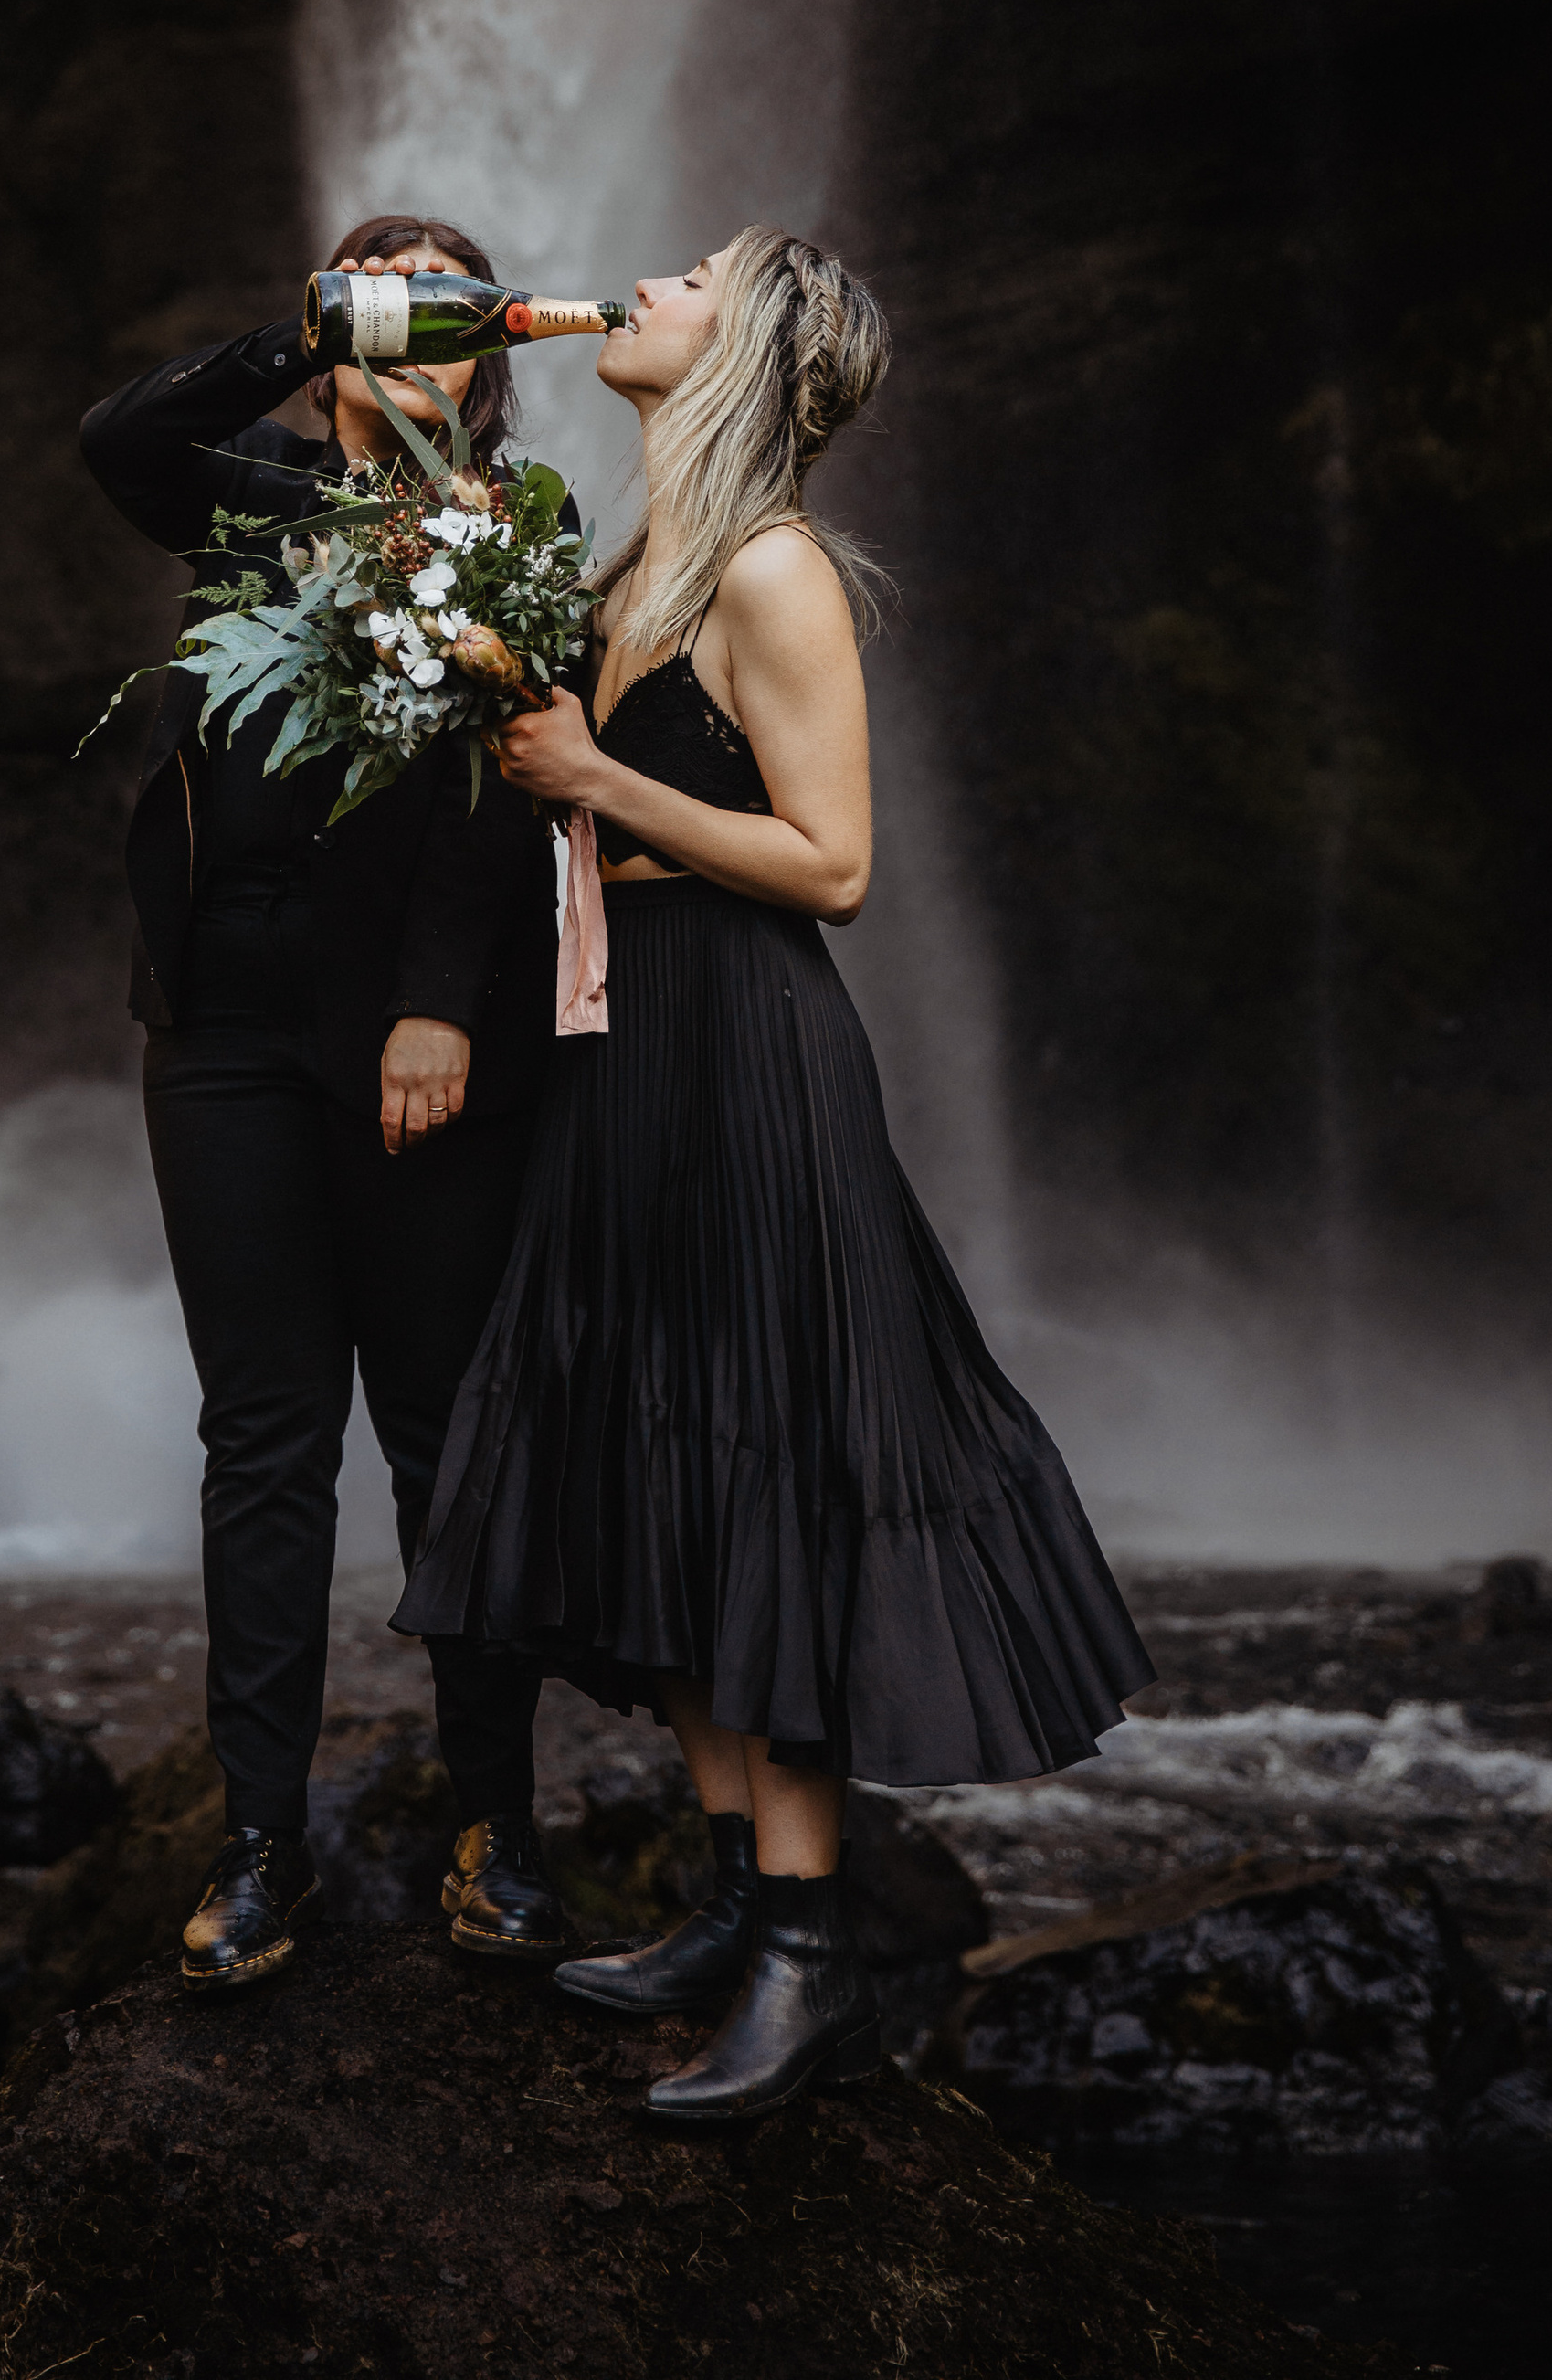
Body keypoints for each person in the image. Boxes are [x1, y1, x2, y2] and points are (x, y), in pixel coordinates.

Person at [396, 226, 1152, 2120]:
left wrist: (598, 780)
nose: (642, 285)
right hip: (619, 1038)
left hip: (741, 1046)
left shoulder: (771, 568)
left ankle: (809, 1957)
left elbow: (830, 865)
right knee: (665, 1445)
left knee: (763, 1455)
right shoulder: (635, 566)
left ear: (743, 352)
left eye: (690, 278)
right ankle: (736, 1904)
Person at [79, 216, 571, 1994]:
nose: (408, 344)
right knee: (264, 1438)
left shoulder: (517, 526)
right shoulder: (259, 498)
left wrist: (440, 1005)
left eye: (442, 316)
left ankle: (498, 1824)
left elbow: (502, 790)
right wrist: (297, 335)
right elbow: (116, 443)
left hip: (421, 1036)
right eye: (382, 309)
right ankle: (261, 1837)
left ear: (487, 362)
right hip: (219, 1022)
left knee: (446, 1438)